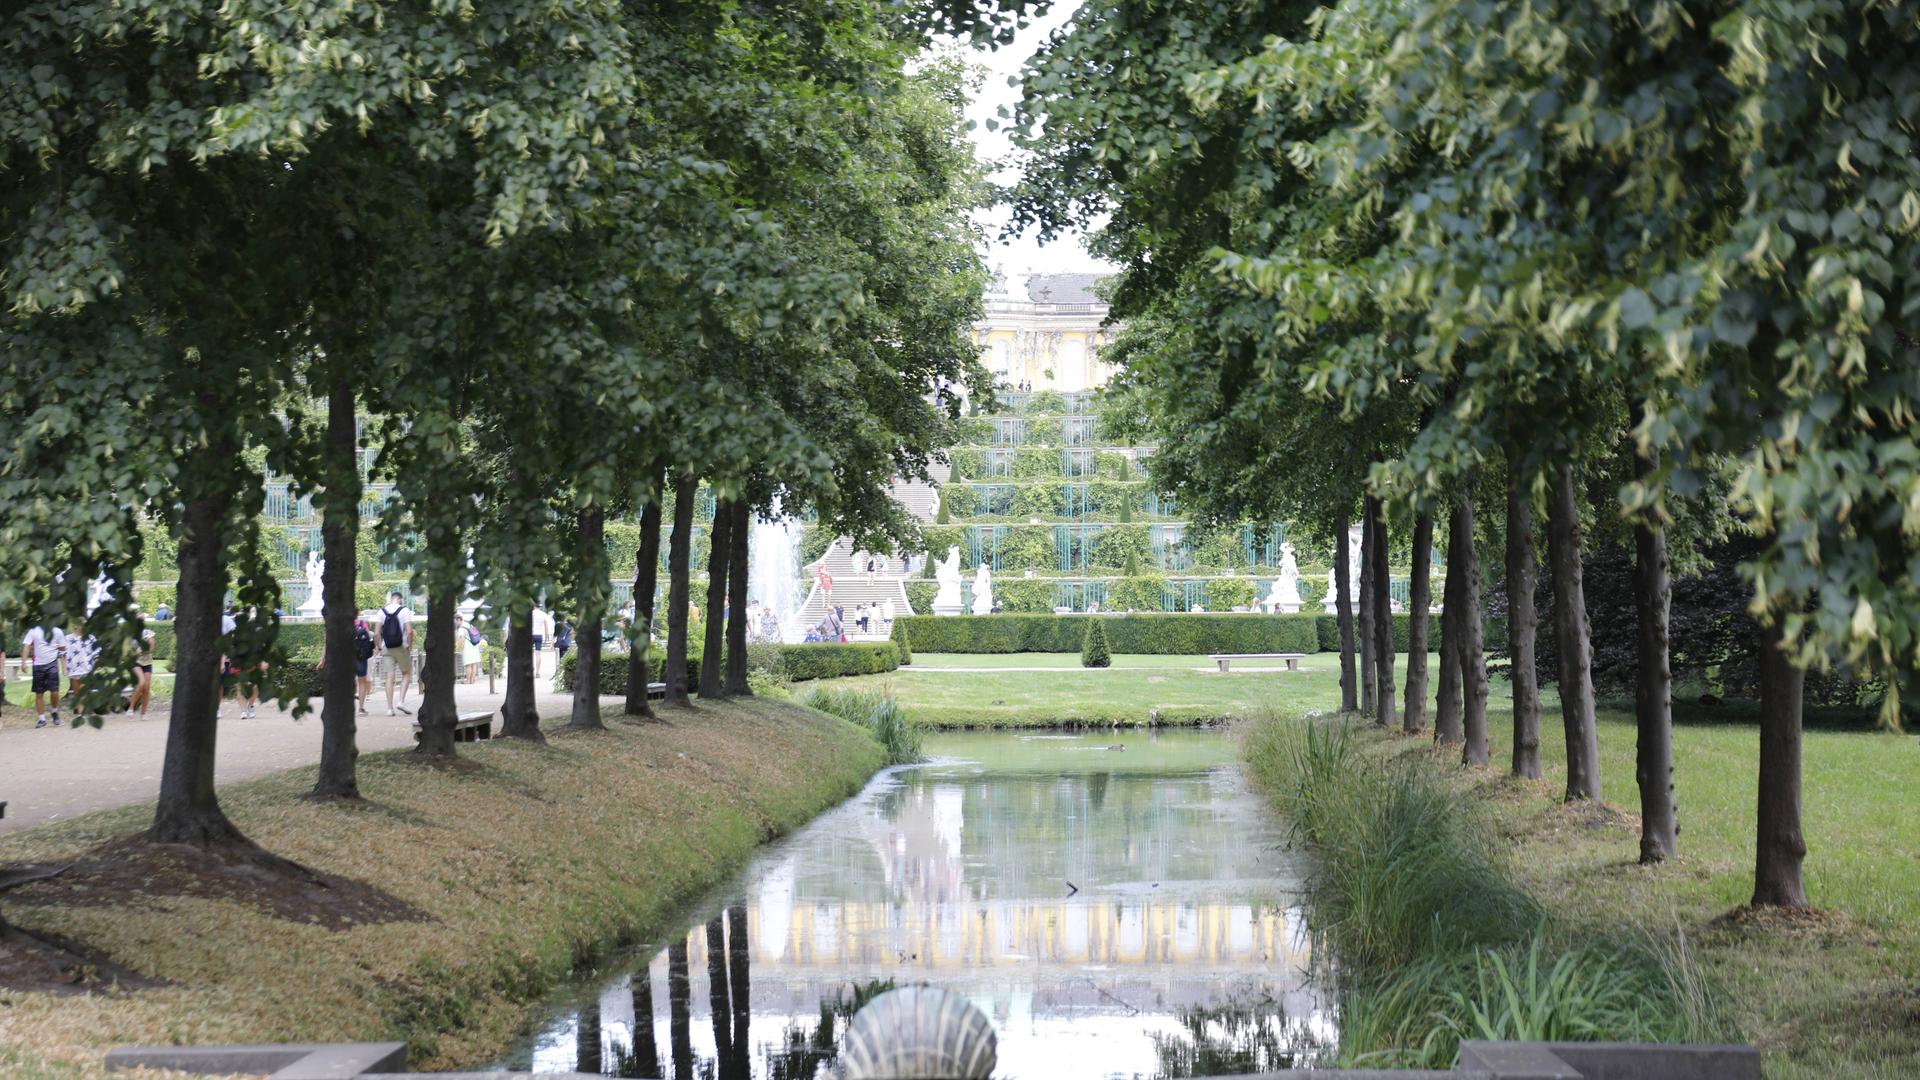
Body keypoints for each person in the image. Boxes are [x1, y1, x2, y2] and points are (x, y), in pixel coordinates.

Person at [376, 590, 414, 716]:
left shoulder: (381, 611)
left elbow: (377, 633)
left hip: (386, 647)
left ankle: (389, 709)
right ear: (400, 599)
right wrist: (409, 646)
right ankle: (401, 701)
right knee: (406, 673)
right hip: (400, 646)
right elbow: (409, 631)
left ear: (391, 599)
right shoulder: (405, 610)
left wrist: (378, 647)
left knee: (389, 676)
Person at [22, 623, 66, 728]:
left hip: (52, 663)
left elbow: (63, 648)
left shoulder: (57, 631)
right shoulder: (33, 630)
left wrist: (64, 665)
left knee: (55, 692)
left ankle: (54, 712)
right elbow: (27, 646)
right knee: (39, 693)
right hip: (38, 664)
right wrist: (23, 662)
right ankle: (42, 719)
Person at [129, 622, 157, 718]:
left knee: (146, 688)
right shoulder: (131, 636)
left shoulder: (148, 633)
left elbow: (151, 647)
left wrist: (145, 649)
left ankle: (143, 713)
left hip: (147, 663)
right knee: (142, 683)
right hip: (137, 663)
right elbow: (131, 652)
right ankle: (131, 708)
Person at [461, 615, 483, 684]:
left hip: (467, 648)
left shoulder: (463, 626)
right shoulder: (472, 626)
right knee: (474, 664)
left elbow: (461, 638)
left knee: (468, 665)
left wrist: (461, 647)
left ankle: (468, 681)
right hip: (475, 647)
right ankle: (472, 680)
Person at [530, 604, 550, 676]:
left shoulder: (530, 613)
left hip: (530, 635)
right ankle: (537, 672)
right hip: (539, 635)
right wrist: (547, 638)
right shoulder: (543, 614)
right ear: (540, 606)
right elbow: (546, 627)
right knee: (538, 654)